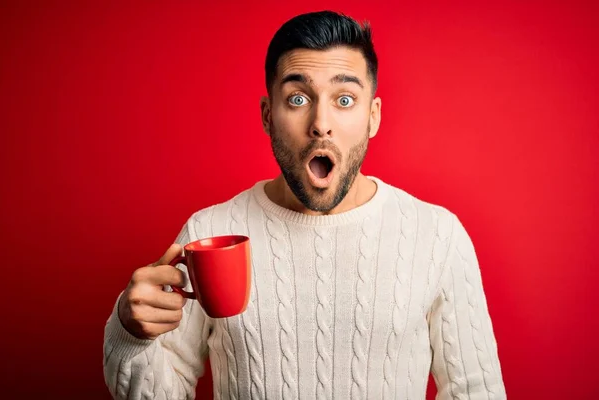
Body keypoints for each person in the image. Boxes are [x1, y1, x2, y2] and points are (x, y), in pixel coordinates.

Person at [103, 10, 506, 400]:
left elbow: (476, 392)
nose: (321, 122)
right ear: (267, 116)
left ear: (373, 116)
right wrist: (129, 334)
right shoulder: (209, 231)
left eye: (344, 100)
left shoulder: (436, 235)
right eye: (297, 98)